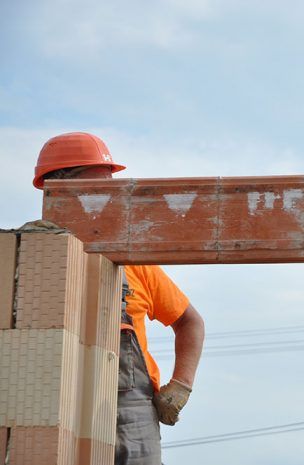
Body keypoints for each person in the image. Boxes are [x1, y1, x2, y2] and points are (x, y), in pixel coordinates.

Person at [33, 132, 205, 465]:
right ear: (56, 190)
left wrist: (180, 386)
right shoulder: (28, 256)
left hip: (131, 410)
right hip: (48, 402)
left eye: (109, 189)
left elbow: (190, 322)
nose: (107, 198)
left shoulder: (132, 263)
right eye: (97, 188)